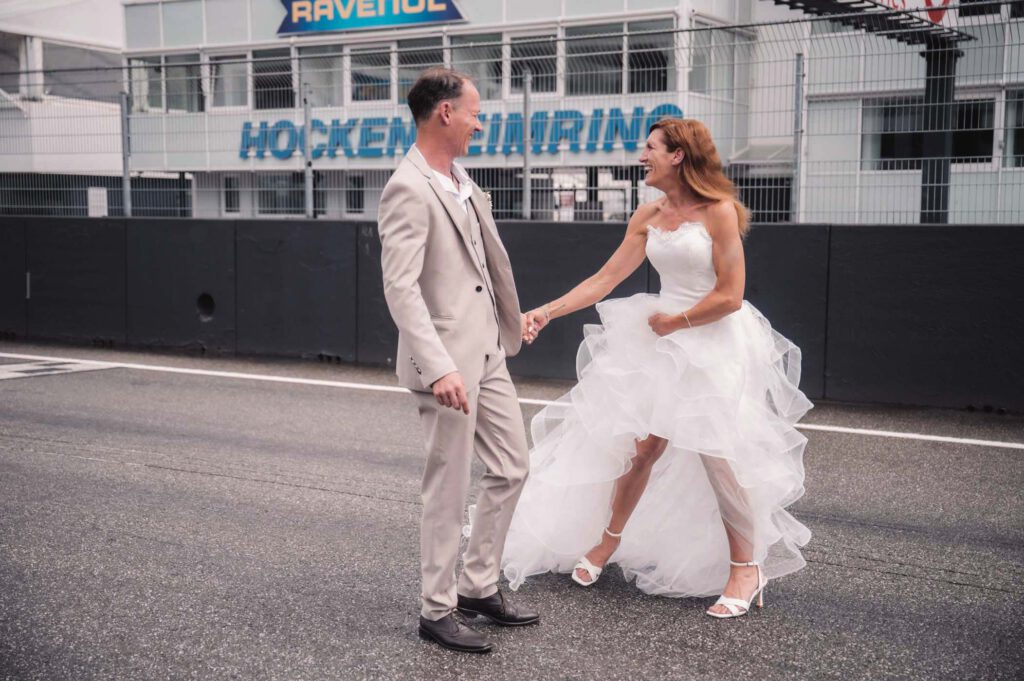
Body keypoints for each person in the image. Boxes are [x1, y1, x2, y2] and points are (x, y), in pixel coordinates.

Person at [502, 118, 813, 619]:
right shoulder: (648, 215)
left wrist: (679, 321)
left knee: (717, 455)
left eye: (650, 148)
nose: (641, 155)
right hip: (661, 341)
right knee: (642, 447)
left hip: (711, 340)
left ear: (678, 156)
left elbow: (731, 296)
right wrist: (545, 311)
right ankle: (607, 543)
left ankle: (745, 568)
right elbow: (604, 279)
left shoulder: (720, 213)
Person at [377, 68, 539, 653]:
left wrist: (507, 318)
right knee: (447, 488)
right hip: (446, 363)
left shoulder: (461, 179)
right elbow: (402, 288)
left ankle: (476, 587)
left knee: (513, 466)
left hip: (490, 352)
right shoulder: (408, 187)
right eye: (474, 111)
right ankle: (436, 610)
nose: (480, 121)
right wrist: (438, 364)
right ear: (445, 113)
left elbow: (479, 268)